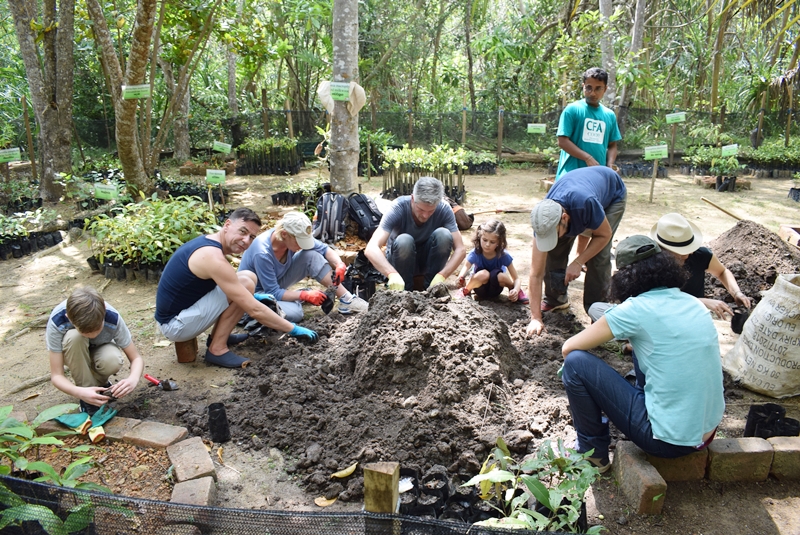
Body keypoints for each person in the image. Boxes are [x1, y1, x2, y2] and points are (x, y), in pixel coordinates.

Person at [560, 235, 724, 470]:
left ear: (625, 276)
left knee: (575, 363)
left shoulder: (634, 310)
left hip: (668, 441)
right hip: (705, 434)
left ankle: (592, 454)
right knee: (645, 345)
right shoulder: (693, 302)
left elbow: (569, 348)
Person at [155, 207, 317, 369]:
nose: (246, 240)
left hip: (184, 311)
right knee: (245, 285)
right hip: (176, 325)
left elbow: (226, 286)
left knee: (247, 277)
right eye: (242, 231)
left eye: (252, 236)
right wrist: (293, 329)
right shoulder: (213, 257)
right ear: (227, 225)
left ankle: (218, 337)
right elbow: (254, 310)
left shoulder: (210, 243)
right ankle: (217, 349)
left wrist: (253, 297)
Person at [526, 166, 627, 337]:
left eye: (554, 233)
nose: (551, 237)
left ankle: (598, 313)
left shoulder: (585, 204)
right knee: (553, 249)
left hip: (611, 194)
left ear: (564, 218)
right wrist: (535, 317)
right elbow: (535, 274)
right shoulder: (543, 221)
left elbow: (603, 235)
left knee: (598, 257)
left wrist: (578, 261)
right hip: (578, 195)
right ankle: (555, 299)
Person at [238, 211, 368, 322]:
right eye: (299, 241)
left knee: (311, 255)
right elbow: (272, 292)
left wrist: (339, 264)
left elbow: (323, 249)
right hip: (259, 294)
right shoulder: (262, 253)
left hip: (276, 284)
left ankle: (346, 299)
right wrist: (304, 296)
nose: (302, 245)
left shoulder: (288, 237)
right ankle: (260, 312)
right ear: (284, 234)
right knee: (295, 314)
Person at [46, 286, 144, 415]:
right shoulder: (57, 321)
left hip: (101, 350)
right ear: (69, 318)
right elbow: (57, 375)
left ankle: (100, 385)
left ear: (103, 311)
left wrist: (133, 379)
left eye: (98, 329)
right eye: (85, 332)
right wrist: (79, 392)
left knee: (112, 359)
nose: (92, 335)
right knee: (75, 337)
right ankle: (87, 395)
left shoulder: (112, 317)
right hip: (73, 352)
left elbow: (136, 358)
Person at [365, 176, 466, 291]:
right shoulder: (398, 207)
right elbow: (371, 248)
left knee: (444, 235)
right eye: (421, 210)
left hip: (427, 259)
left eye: (431, 211)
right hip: (400, 260)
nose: (425, 215)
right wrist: (391, 273)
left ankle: (432, 289)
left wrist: (442, 275)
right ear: (413, 199)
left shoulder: (444, 209)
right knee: (404, 240)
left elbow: (460, 249)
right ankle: (405, 291)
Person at [650, 212, 751, 317]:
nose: (691, 252)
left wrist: (736, 293)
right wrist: (700, 302)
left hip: (696, 319)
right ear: (664, 249)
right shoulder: (648, 264)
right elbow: (655, 301)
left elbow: (722, 272)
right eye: (682, 251)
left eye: (690, 247)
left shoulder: (700, 255)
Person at [555, 67, 621, 180]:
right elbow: (562, 141)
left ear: (605, 89)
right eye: (588, 88)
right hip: (570, 176)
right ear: (583, 86)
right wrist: (587, 158)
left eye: (598, 89)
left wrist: (610, 164)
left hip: (596, 177)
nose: (592, 93)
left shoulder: (609, 115)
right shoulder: (572, 110)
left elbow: (612, 145)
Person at [454, 218, 528, 304]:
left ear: (499, 242)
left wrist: (515, 288)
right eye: (485, 240)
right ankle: (465, 291)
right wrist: (461, 277)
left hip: (496, 288)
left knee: (500, 275)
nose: (487, 245)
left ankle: (516, 293)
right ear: (479, 237)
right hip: (480, 287)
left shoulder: (503, 255)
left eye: (492, 242)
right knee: (484, 274)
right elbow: (466, 266)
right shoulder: (476, 253)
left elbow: (516, 278)